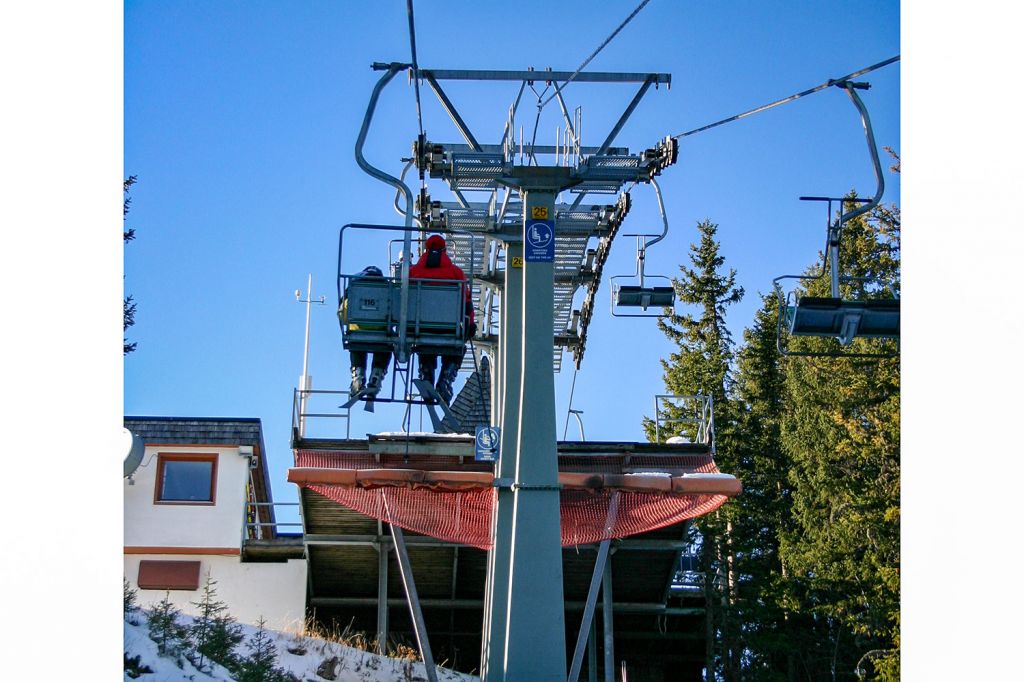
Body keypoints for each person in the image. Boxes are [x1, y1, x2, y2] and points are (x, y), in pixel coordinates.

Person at [409, 234, 476, 403]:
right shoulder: (456, 273)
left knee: (424, 343)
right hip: (449, 327)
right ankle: (446, 377)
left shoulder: (414, 272)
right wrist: (471, 324)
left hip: (421, 326)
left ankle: (426, 371)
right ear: (445, 250)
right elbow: (467, 302)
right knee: (457, 346)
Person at [340, 265, 392, 397]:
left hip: (358, 329)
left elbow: (342, 312)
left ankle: (358, 376)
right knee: (386, 345)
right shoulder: (387, 287)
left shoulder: (354, 284)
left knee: (357, 343)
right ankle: (376, 376)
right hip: (381, 330)